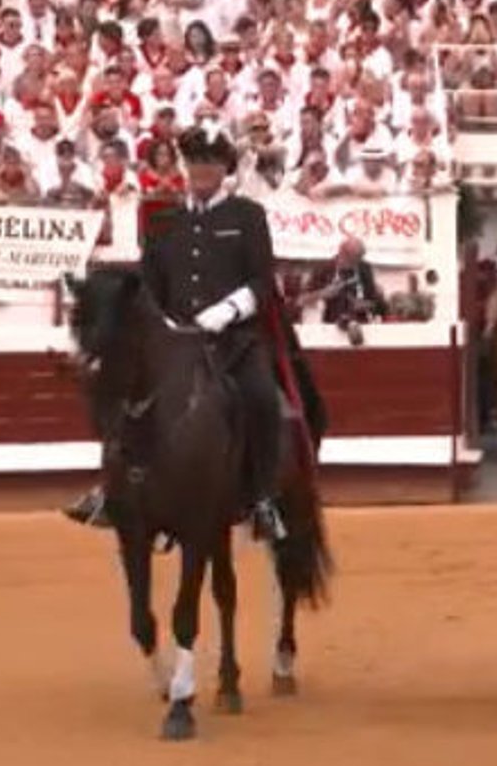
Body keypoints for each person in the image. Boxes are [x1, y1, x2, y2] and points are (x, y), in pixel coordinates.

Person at [63, 124, 300, 541]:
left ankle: (263, 499)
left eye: (209, 162)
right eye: (194, 162)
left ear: (224, 168)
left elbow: (263, 282)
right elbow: (148, 282)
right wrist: (163, 320)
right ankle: (112, 489)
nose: (201, 170)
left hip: (234, 341)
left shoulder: (247, 215)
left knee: (262, 398)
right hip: (174, 341)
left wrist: (226, 310)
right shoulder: (163, 220)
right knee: (120, 394)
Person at [301, 236, 385, 343]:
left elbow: (375, 303)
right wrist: (323, 293)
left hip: (360, 329)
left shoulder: (365, 268)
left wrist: (363, 305)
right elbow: (301, 300)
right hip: (329, 329)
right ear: (341, 252)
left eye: (359, 259)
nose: (355, 263)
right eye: (353, 259)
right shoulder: (325, 268)